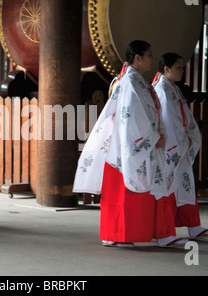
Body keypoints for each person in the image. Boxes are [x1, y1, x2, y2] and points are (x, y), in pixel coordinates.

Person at [73, 40, 188, 247]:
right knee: (124, 195)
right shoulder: (129, 83)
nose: (152, 59)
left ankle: (152, 233)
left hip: (139, 142)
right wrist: (153, 137)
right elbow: (130, 118)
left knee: (144, 192)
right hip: (128, 145)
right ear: (138, 57)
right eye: (149, 55)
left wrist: (156, 134)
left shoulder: (137, 81)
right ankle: (117, 235)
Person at [153, 53, 208, 239]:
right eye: (178, 67)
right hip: (170, 146)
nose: (182, 71)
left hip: (179, 143)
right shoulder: (161, 89)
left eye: (182, 67)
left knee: (185, 185)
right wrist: (181, 141)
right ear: (166, 69)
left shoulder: (172, 87)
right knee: (168, 188)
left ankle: (193, 225)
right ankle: (164, 232)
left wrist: (188, 137)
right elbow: (167, 121)